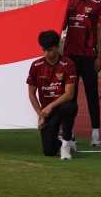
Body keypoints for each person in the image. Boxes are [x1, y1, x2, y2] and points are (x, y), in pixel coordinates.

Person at [63, 0, 101, 146]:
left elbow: (99, 31)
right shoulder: (69, 3)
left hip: (89, 55)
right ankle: (69, 132)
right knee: (69, 96)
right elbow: (63, 25)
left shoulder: (98, 4)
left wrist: (99, 57)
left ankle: (95, 132)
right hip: (70, 56)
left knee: (92, 95)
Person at [27, 30, 78, 160]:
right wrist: (41, 115)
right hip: (48, 112)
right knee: (49, 151)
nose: (46, 54)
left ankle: (66, 143)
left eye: (50, 50)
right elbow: (31, 93)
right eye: (43, 50)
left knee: (69, 107)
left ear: (57, 47)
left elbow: (69, 94)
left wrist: (51, 106)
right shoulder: (36, 66)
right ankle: (61, 143)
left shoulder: (68, 64)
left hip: (62, 105)